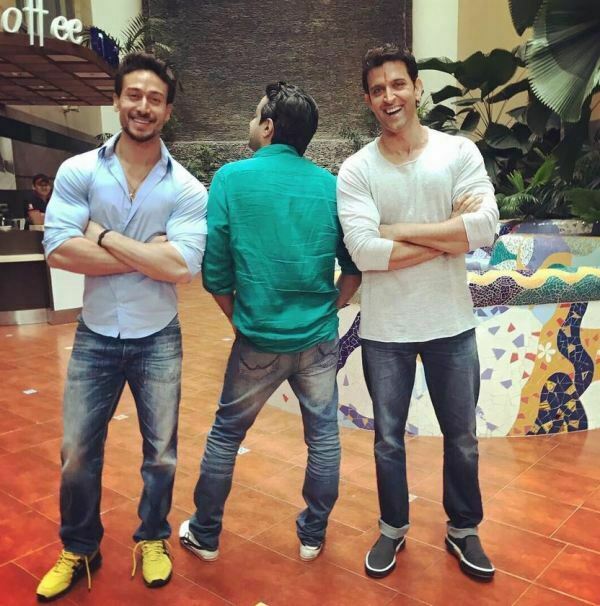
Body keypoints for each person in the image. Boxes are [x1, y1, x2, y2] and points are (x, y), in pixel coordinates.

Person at [36, 52, 207, 602]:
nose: (143, 106)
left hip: (158, 337)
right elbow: (60, 249)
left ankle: (153, 538)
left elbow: (182, 267)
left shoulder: (186, 188)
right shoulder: (80, 171)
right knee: (77, 452)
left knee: (161, 454)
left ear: (167, 110)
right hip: (95, 336)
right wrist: (148, 254)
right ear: (116, 100)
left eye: (155, 98)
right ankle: (79, 546)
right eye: (134, 95)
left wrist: (104, 236)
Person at [179, 81, 361, 564]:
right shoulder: (330, 187)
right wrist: (332, 308)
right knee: (323, 438)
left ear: (267, 126)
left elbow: (215, 271)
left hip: (257, 339)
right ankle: (312, 535)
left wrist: (238, 319)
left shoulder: (230, 179)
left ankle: (205, 534)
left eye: (254, 114)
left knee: (226, 434)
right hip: (318, 340)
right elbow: (354, 267)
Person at [336, 43, 498, 581]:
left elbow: (484, 228)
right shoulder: (356, 170)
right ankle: (392, 526)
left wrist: (396, 231)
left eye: (398, 84)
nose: (390, 97)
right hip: (387, 331)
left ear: (417, 87)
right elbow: (364, 252)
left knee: (462, 438)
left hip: (451, 324)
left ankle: (463, 528)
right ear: (368, 99)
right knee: (387, 440)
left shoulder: (457, 153)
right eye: (378, 89)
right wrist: (448, 238)